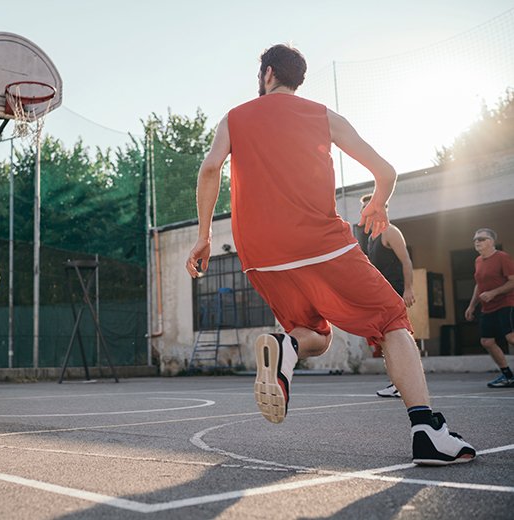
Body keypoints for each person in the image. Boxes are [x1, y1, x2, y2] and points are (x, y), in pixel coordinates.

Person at [186, 44, 475, 465]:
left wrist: (204, 236)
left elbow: (210, 169)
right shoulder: (323, 116)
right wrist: (378, 203)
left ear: (266, 74)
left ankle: (286, 347)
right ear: (294, 79)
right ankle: (427, 430)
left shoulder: (234, 118)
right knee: (393, 320)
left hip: (259, 253)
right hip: (318, 242)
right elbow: (386, 171)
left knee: (317, 336)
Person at [356, 194, 416, 399]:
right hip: (381, 294)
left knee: (394, 337)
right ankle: (396, 383)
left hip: (395, 292)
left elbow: (407, 261)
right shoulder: (372, 237)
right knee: (385, 339)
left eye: (371, 207)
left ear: (382, 208)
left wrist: (408, 289)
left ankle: (401, 383)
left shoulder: (390, 232)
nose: (367, 211)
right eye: (364, 208)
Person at [464, 228, 514, 388]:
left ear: (491, 242)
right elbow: (479, 285)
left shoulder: (502, 257)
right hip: (487, 307)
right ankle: (508, 376)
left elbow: (513, 281)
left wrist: (494, 292)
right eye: (475, 240)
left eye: (481, 239)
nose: (477, 242)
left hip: (506, 303)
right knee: (486, 341)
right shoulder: (478, 261)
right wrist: (472, 306)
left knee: (511, 338)